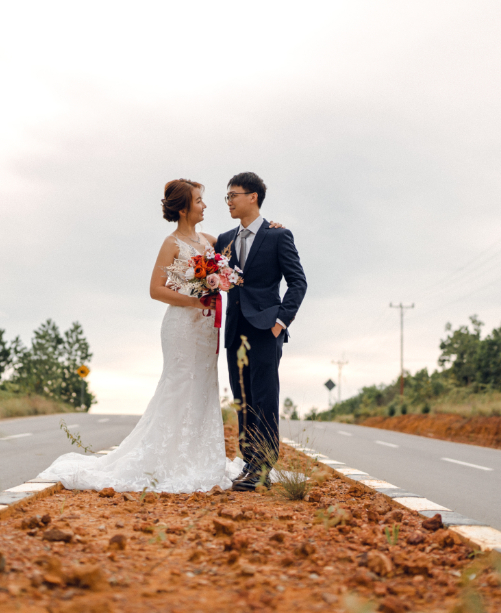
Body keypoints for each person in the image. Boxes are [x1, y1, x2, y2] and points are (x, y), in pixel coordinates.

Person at [38, 178, 285, 492]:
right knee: (179, 383)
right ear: (184, 209)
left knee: (203, 387)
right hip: (182, 326)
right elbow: (156, 290)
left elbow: (242, 251)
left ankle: (197, 457)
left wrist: (269, 226)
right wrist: (194, 299)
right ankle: (163, 458)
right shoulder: (171, 244)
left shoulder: (212, 241)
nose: (206, 205)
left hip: (208, 328)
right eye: (199, 201)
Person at [217, 171, 307, 491]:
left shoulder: (278, 236)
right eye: (227, 196)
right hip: (234, 331)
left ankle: (264, 466)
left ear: (252, 197)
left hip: (266, 329)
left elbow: (298, 282)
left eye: (233, 195)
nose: (228, 201)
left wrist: (280, 322)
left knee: (265, 397)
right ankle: (249, 461)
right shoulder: (223, 240)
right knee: (243, 400)